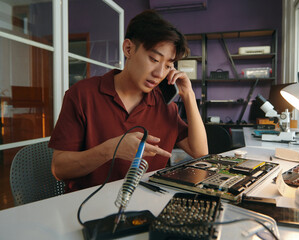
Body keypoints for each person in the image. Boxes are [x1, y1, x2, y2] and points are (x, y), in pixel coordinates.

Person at [49, 10, 208, 192]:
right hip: (87, 208)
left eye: (168, 65)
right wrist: (111, 149)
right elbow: (59, 169)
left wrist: (188, 95)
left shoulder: (165, 106)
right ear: (128, 49)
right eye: (154, 59)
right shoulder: (82, 94)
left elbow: (200, 151)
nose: (159, 73)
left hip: (145, 206)